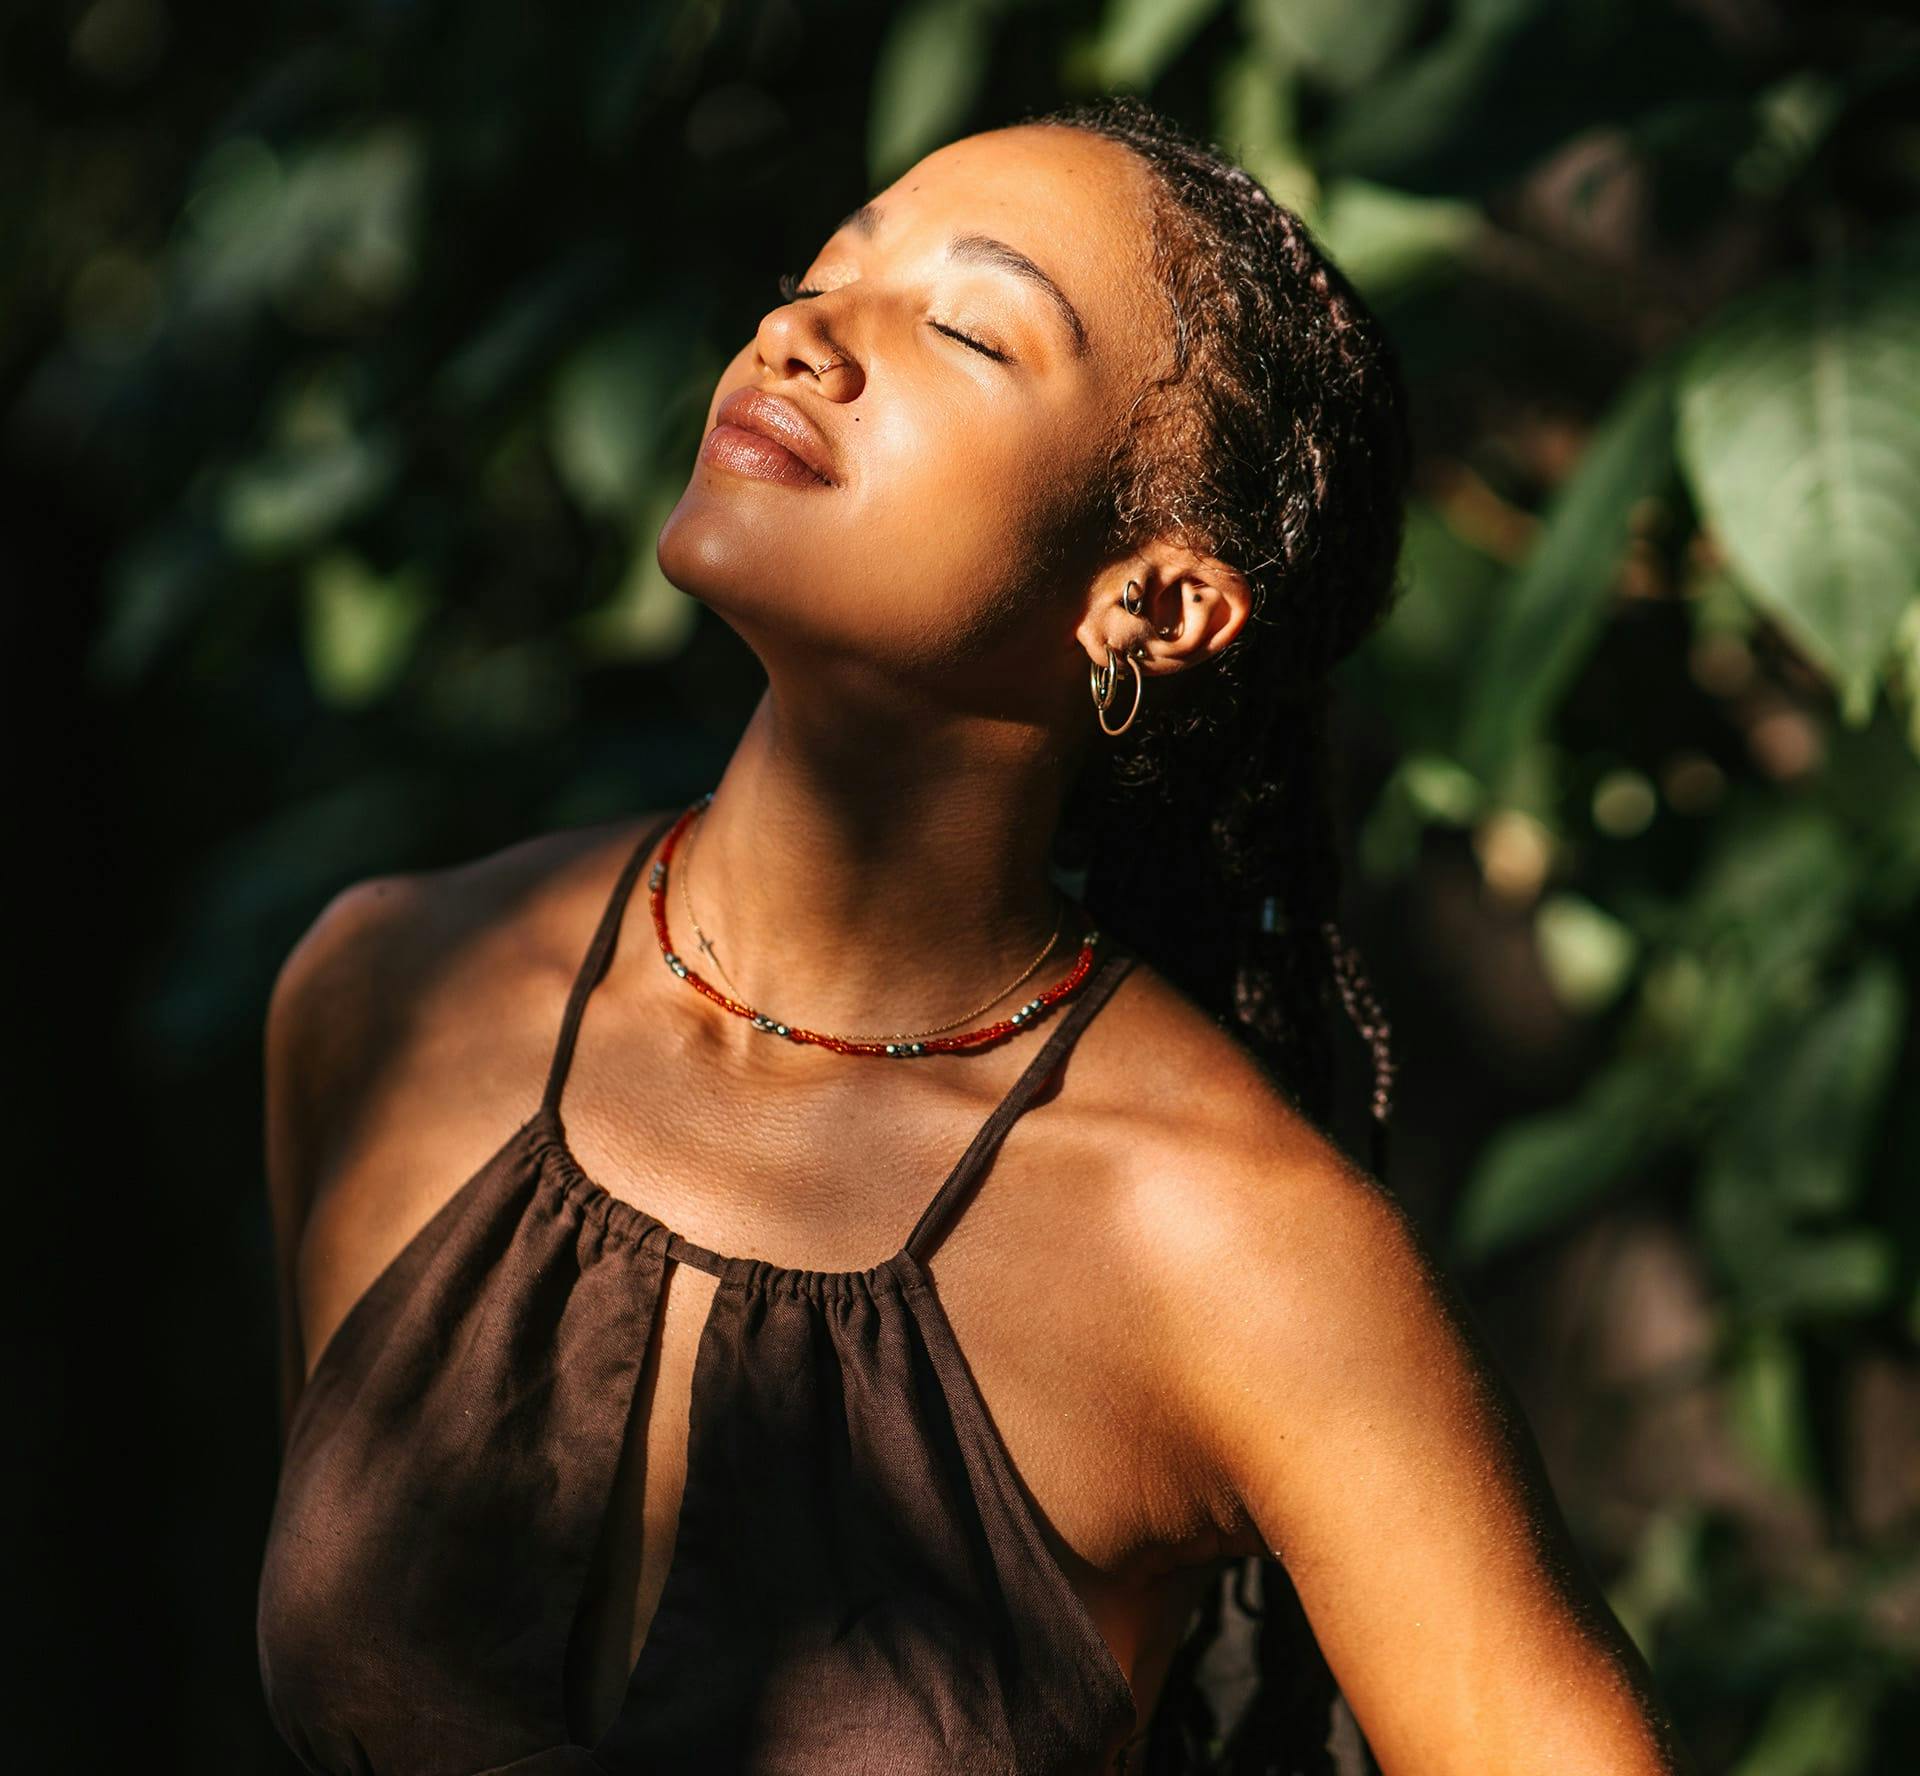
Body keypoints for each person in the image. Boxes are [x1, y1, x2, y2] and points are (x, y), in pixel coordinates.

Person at [256, 94, 1693, 1776]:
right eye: (821, 270)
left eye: (961, 323)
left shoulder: (1227, 1246)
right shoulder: (390, 992)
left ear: (1154, 604)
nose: (807, 332)